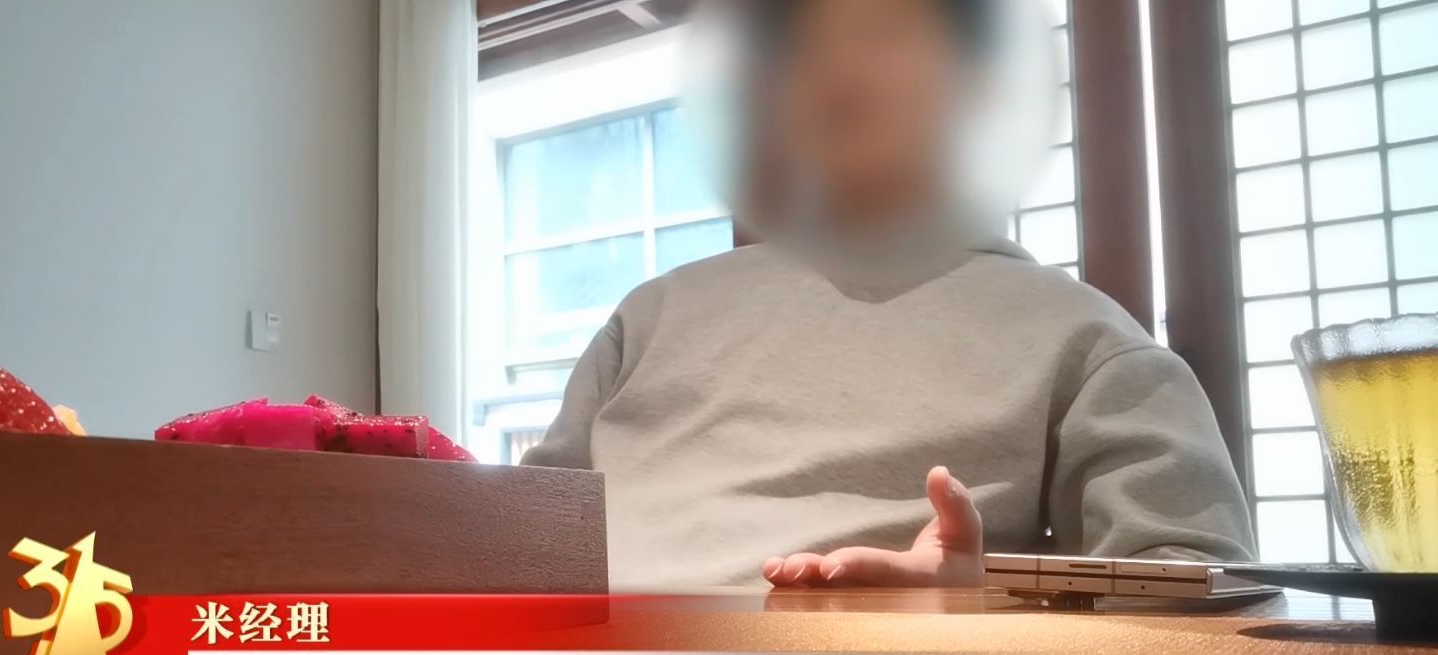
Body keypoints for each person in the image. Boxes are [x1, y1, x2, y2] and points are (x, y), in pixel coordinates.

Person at [522, 0, 1255, 590]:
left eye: (880, 32)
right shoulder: (651, 315)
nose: (838, 72)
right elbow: (509, 539)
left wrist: (990, 600)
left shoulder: (1086, 338)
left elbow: (1201, 586)